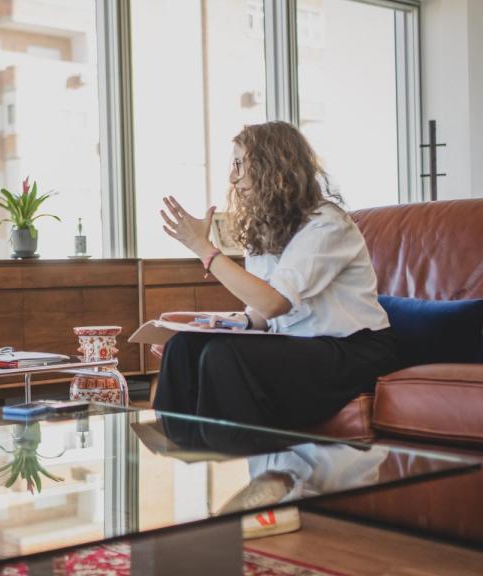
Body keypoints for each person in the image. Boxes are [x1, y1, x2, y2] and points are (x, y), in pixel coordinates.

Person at [154, 121, 399, 429]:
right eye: (233, 166)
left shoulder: (327, 223)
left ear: (272, 166)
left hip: (355, 351)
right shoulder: (265, 227)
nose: (233, 178)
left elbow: (274, 303)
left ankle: (245, 457)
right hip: (297, 343)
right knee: (183, 347)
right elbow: (263, 314)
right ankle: (179, 454)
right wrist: (227, 324)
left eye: (240, 165)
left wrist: (204, 249)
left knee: (223, 355)